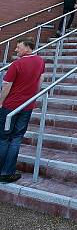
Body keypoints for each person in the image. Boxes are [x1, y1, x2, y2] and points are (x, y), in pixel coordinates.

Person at [0, 39, 45, 182]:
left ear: (27, 47)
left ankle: (3, 171)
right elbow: (39, 83)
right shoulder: (40, 62)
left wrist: (0, 102)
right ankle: (7, 172)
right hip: (27, 106)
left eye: (19, 47)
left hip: (10, 106)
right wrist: (31, 97)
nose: (16, 50)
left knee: (4, 138)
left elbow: (6, 86)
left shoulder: (16, 64)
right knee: (16, 138)